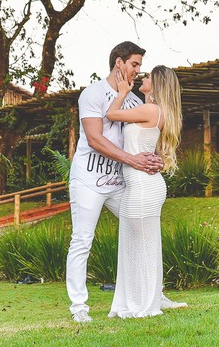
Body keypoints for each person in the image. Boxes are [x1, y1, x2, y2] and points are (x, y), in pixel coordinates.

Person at [65, 41, 163, 323]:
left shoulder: (134, 101)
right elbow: (95, 139)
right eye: (134, 64)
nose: (138, 70)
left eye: (140, 65)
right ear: (119, 62)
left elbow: (144, 138)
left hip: (121, 182)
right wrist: (132, 160)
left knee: (143, 230)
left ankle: (153, 295)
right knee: (82, 240)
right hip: (89, 179)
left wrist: (156, 160)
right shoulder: (92, 94)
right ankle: (79, 307)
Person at [105, 64, 184, 318]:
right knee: (140, 246)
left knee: (139, 247)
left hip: (142, 187)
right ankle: (145, 299)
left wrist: (122, 92)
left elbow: (111, 114)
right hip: (143, 185)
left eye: (148, 76)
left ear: (157, 84)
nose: (143, 77)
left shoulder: (150, 109)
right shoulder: (154, 110)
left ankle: (144, 304)